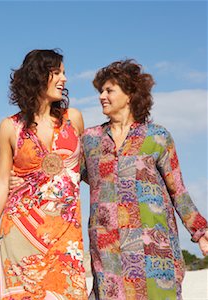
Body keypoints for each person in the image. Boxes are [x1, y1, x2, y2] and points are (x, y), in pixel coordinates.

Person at [81, 59, 208, 299]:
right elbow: (65, 179)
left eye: (109, 90)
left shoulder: (157, 137)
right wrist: (21, 179)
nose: (102, 96)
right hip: (108, 248)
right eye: (100, 91)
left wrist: (201, 232)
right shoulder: (90, 140)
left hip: (153, 247)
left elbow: (178, 191)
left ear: (129, 94)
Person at [0, 49, 88, 299]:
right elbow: (2, 180)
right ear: (38, 77)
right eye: (57, 72)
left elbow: (87, 170)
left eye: (64, 72)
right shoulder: (10, 127)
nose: (65, 79)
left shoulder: (74, 120)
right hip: (20, 229)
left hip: (65, 234)